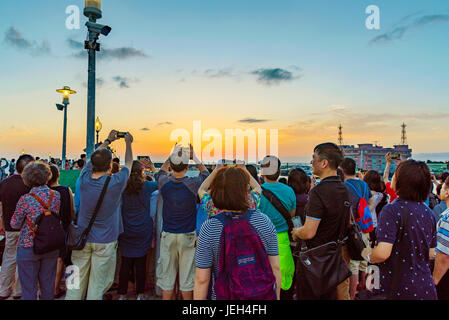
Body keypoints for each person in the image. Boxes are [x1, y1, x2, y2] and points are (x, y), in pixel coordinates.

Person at [194, 166, 281, 300]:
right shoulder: (264, 221)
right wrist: (243, 169)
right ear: (246, 190)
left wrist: (217, 171)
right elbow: (275, 268)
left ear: (216, 190)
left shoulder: (210, 226)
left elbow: (202, 279)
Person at [65, 130, 133, 300]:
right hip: (105, 241)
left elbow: (92, 158)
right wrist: (128, 143)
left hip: (81, 237)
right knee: (98, 285)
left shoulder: (85, 177)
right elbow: (129, 164)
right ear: (110, 165)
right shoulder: (116, 183)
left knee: (75, 283)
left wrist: (108, 141)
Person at [362, 160, 437, 300]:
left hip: (398, 288)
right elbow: (431, 252)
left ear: (402, 181)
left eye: (395, 175)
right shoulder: (428, 213)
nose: (392, 179)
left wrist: (368, 254)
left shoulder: (391, 210)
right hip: (425, 286)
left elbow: (383, 253)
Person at [292, 143, 350, 300]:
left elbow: (309, 232)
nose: (311, 162)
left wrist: (297, 231)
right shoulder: (344, 189)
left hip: (315, 260)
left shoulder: (318, 192)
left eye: (313, 158)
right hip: (335, 256)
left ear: (324, 163)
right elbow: (348, 222)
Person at [156, 144, 209, 300]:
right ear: (187, 166)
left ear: (171, 166)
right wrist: (194, 157)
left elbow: (160, 171)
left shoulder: (164, 182)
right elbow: (206, 174)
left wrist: (172, 155)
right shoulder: (193, 184)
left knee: (167, 280)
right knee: (186, 280)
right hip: (188, 235)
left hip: (168, 235)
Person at [10, 161, 61, 300]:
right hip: (50, 244)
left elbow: (14, 224)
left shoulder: (25, 199)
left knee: (29, 288)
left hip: (28, 245)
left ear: (27, 179)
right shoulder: (56, 196)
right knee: (48, 285)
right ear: (47, 176)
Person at [118, 160, 158, 300]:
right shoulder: (147, 186)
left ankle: (122, 294)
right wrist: (153, 168)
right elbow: (163, 181)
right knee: (141, 264)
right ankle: (140, 294)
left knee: (125, 263)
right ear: (141, 172)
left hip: (125, 229)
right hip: (143, 229)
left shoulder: (121, 186)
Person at [259, 155, 296, 300]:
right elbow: (291, 215)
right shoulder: (289, 191)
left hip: (261, 240)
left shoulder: (257, 193)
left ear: (262, 172)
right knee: (284, 279)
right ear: (279, 171)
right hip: (282, 241)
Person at [340, 158, 375, 300]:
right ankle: (363, 284)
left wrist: (355, 219)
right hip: (365, 227)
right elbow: (371, 202)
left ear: (342, 170)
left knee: (353, 264)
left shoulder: (344, 186)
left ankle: (352, 295)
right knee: (364, 258)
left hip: (353, 230)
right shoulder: (364, 184)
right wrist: (364, 213)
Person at [0, 154, 34, 300]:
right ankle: (18, 291)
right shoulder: (29, 185)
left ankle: (4, 290)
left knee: (8, 258)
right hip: (26, 228)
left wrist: (1, 223)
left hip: (9, 226)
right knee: (24, 259)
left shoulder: (4, 182)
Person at [47, 164, 75, 298]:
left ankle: (45, 288)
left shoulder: (42, 192)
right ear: (58, 175)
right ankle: (58, 288)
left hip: (44, 231)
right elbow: (72, 212)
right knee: (64, 259)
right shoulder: (65, 190)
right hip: (63, 229)